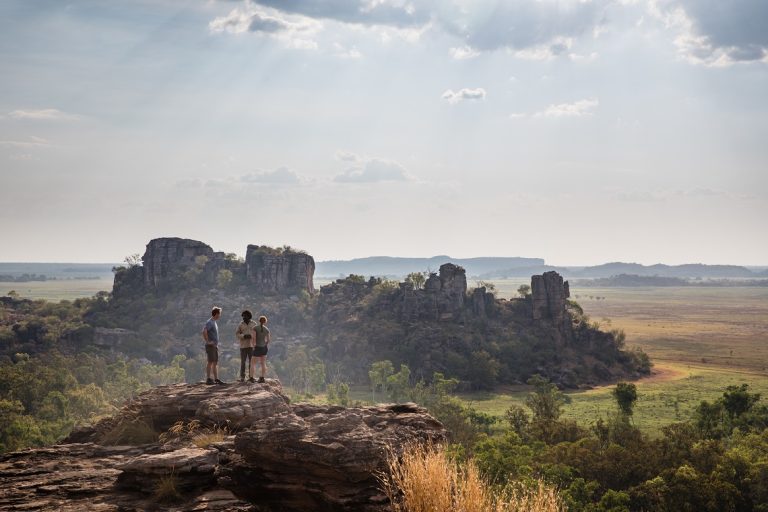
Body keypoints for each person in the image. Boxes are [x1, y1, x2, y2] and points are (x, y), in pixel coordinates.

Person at [202, 306, 225, 385]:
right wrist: (208, 342)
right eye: (219, 314)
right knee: (210, 362)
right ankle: (208, 379)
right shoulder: (210, 322)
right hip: (210, 346)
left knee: (215, 362)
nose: (220, 315)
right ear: (216, 314)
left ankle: (216, 379)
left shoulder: (214, 322)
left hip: (214, 346)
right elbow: (204, 331)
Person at [235, 309, 256, 382]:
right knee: (243, 362)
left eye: (245, 316)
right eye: (243, 316)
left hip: (251, 345)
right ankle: (242, 377)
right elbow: (237, 334)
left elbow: (256, 333)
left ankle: (251, 377)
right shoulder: (241, 324)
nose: (244, 317)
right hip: (243, 346)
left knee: (251, 362)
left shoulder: (253, 324)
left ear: (249, 316)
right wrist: (244, 336)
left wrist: (252, 336)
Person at [250, 315, 270, 383]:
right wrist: (264, 345)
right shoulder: (267, 329)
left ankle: (251, 378)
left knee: (253, 363)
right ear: (265, 322)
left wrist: (254, 346)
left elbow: (254, 338)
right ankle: (262, 378)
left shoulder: (255, 328)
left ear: (259, 320)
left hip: (257, 347)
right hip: (264, 348)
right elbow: (268, 340)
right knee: (263, 363)